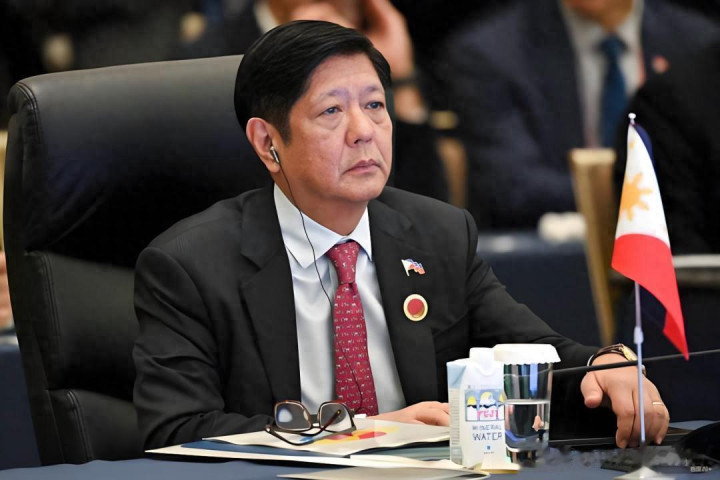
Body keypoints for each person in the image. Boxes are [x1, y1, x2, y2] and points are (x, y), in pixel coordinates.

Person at [133, 20, 668, 451]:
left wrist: (605, 365)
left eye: (374, 105)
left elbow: (536, 356)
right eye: (331, 111)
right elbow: (177, 431)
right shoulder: (191, 265)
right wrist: (364, 433)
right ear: (267, 143)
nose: (364, 131)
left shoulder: (438, 235)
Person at [440, 0, 720, 229]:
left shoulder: (699, 44)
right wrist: (638, 195)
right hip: (552, 257)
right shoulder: (491, 53)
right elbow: (511, 186)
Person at [177, 0, 448, 201]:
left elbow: (424, 213)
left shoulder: (387, 37)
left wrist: (401, 81)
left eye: (373, 104)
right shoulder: (206, 60)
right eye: (331, 110)